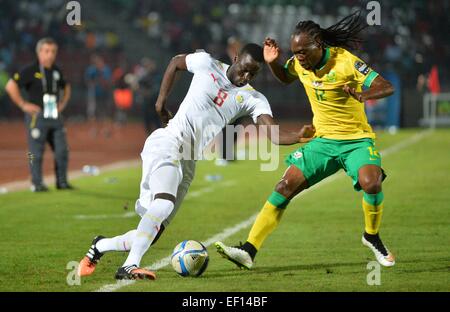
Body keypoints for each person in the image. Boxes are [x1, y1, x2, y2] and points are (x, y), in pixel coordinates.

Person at [77, 43, 314, 280]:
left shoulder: (253, 98)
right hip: (169, 142)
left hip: (189, 160)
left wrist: (297, 136)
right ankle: (129, 266)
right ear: (235, 58)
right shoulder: (207, 64)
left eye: (253, 73)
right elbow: (175, 63)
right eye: (244, 69)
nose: (246, 76)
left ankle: (100, 246)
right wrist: (161, 102)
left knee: (154, 228)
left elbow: (271, 132)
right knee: (164, 203)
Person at [215, 12, 396, 269]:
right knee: (283, 187)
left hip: (355, 140)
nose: (298, 57)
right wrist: (273, 62)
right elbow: (286, 77)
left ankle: (371, 236)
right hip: (322, 141)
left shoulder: (345, 62)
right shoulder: (300, 63)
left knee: (372, 183)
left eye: (302, 52)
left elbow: (387, 86)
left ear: (318, 44)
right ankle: (248, 250)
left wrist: (362, 93)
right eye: (295, 52)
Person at [5, 37, 72, 192]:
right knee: (34, 152)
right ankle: (36, 182)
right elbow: (10, 86)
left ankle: (62, 182)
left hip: (55, 116)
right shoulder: (30, 70)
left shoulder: (57, 70)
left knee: (62, 150)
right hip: (37, 117)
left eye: (53, 51)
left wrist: (63, 103)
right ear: (39, 52)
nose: (50, 55)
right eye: (47, 51)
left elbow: (67, 86)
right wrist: (23, 104)